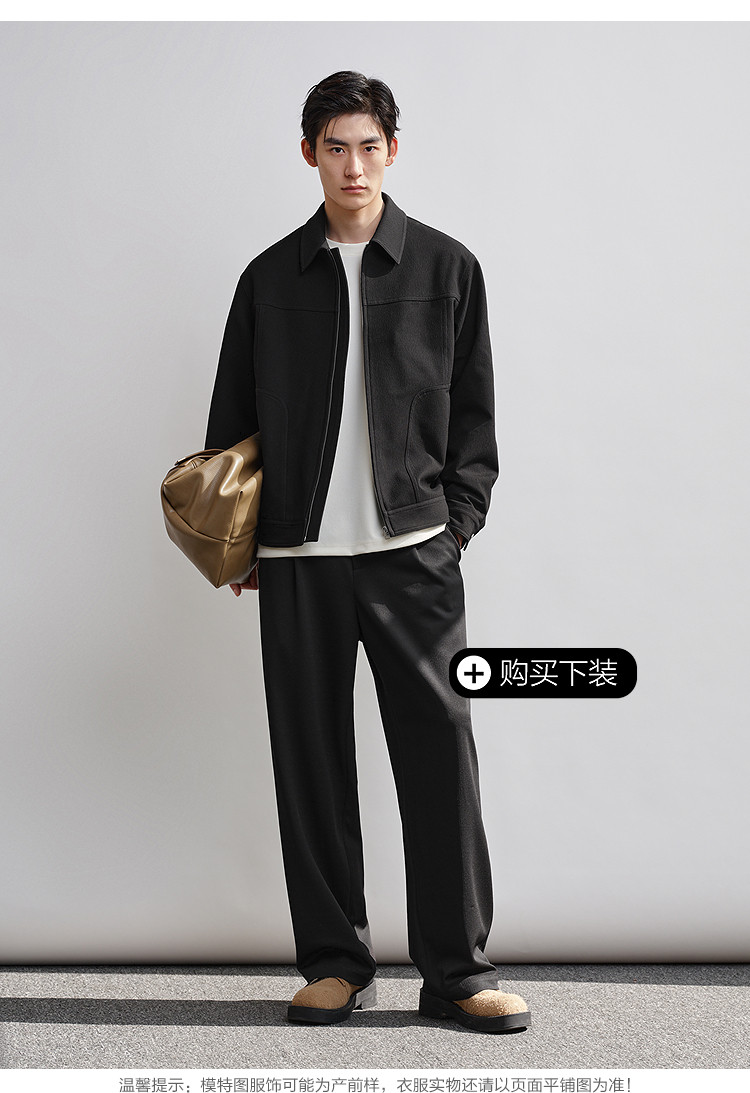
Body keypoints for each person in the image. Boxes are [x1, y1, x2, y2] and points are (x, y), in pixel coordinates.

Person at [204, 70, 531, 1035]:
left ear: (394, 150)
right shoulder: (269, 279)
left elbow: (475, 418)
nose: (353, 165)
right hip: (296, 557)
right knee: (310, 759)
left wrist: (454, 527)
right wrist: (239, 541)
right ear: (309, 154)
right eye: (335, 147)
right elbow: (231, 422)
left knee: (440, 758)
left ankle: (458, 972)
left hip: (414, 554)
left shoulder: (447, 267)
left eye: (369, 146)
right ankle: (335, 963)